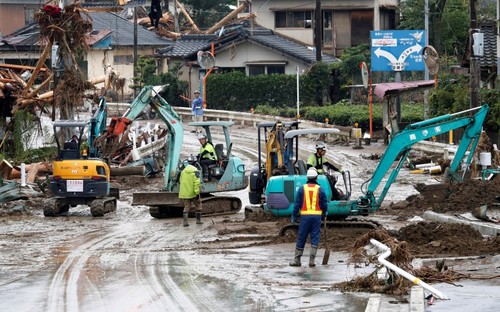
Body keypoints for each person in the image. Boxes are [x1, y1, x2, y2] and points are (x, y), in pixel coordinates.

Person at [289, 168, 327, 267]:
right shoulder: (320, 189)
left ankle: (297, 260)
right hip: (316, 217)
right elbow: (324, 203)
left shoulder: (302, 189)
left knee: (301, 236)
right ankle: (312, 260)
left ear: (307, 177)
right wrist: (325, 213)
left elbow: (297, 204)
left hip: (305, 217)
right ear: (316, 177)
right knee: (315, 237)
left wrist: (293, 215)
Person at [178, 161, 203, 226]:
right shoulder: (195, 172)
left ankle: (185, 222)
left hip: (185, 193)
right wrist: (197, 193)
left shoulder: (183, 172)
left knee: (186, 207)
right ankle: (198, 221)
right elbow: (196, 184)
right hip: (193, 193)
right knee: (198, 206)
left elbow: (180, 181)